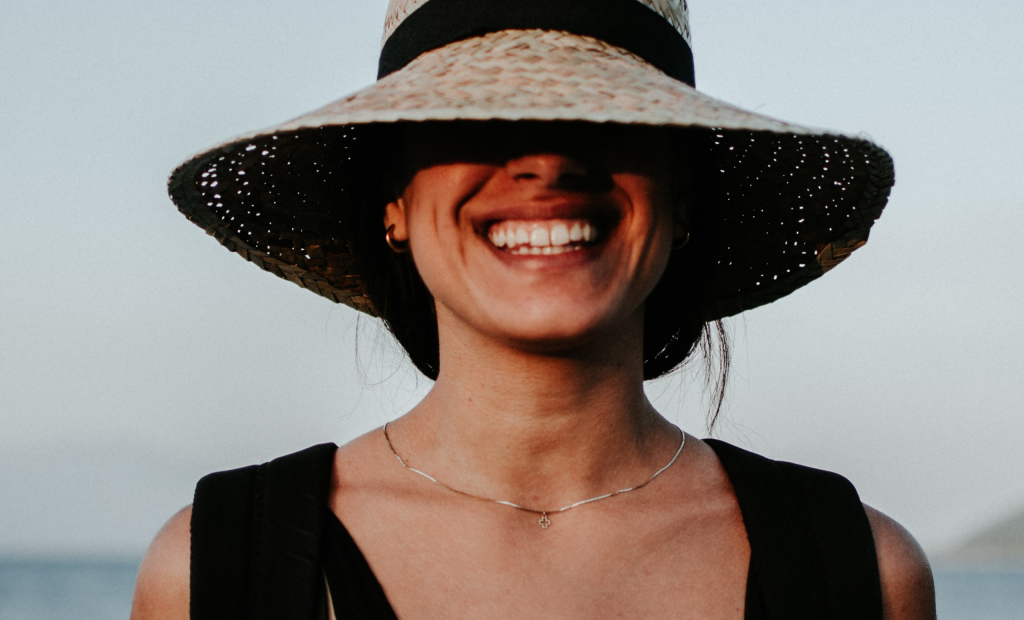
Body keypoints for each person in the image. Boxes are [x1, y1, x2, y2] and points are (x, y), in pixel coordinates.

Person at [132, 0, 936, 618]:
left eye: (612, 115)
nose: (548, 160)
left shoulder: (861, 573)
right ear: (394, 201)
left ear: (680, 193)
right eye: (475, 114)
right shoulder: (217, 570)